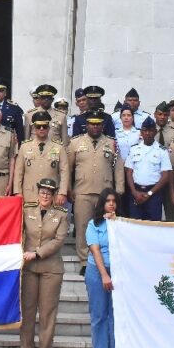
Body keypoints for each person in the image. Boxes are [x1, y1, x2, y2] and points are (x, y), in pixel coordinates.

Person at [19, 178, 69, 348]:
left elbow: (59, 240)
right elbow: (18, 231)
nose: (45, 195)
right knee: (28, 312)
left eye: (49, 192)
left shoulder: (62, 215)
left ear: (54, 194)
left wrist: (37, 253)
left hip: (51, 268)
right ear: (37, 192)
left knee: (48, 314)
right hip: (29, 268)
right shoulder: (27, 210)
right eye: (42, 191)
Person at [68, 109, 125, 275]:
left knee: (105, 226)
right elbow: (68, 168)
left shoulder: (111, 143)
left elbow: (118, 167)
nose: (95, 127)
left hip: (104, 193)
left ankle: (106, 258)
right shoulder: (75, 143)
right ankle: (85, 261)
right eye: (92, 124)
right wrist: (69, 189)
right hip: (82, 191)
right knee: (83, 226)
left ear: (103, 125)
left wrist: (119, 190)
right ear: (86, 125)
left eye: (98, 124)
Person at [84, 189, 129, 348]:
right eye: (107, 201)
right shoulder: (93, 224)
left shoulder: (124, 224)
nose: (111, 204)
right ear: (102, 204)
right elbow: (95, 251)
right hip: (97, 271)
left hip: (119, 271)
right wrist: (104, 275)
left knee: (116, 314)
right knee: (99, 313)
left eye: (114, 201)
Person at [13, 111, 69, 205]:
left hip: (51, 194)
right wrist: (18, 192)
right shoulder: (24, 147)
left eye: (45, 126)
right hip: (29, 194)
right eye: (38, 126)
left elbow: (64, 172)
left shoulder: (58, 147)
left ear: (49, 128)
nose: (41, 129)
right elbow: (19, 172)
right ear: (34, 128)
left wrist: (62, 193)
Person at [123, 118, 170, 221]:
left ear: (155, 132)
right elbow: (129, 172)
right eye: (145, 130)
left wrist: (149, 194)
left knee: (153, 225)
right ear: (141, 132)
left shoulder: (162, 150)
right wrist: (134, 192)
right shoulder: (134, 149)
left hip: (154, 193)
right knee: (135, 224)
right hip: (136, 192)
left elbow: (166, 175)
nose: (148, 133)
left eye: (151, 130)